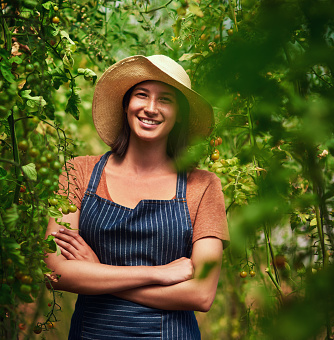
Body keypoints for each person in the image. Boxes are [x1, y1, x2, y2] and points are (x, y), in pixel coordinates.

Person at [44, 55, 229, 339]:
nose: (150, 108)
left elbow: (201, 294)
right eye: (142, 95)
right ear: (126, 103)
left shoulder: (202, 185)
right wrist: (157, 273)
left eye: (165, 99)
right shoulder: (79, 171)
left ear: (179, 114)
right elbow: (55, 272)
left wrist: (98, 272)